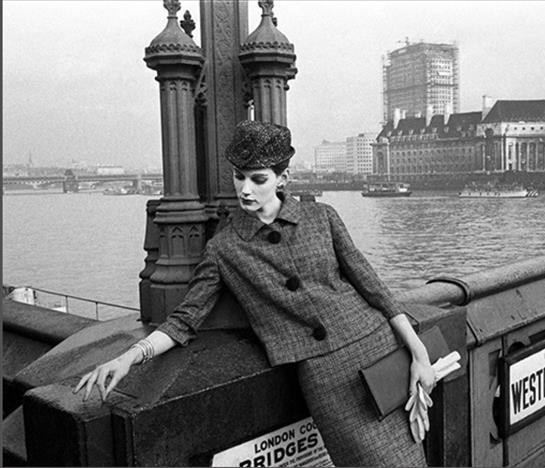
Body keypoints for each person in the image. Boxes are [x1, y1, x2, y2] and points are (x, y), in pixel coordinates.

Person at [74, 120, 435, 467]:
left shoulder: (322, 217)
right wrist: (128, 358)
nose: (245, 189)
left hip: (380, 349)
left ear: (282, 179)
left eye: (258, 179)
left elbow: (374, 288)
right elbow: (186, 320)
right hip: (327, 378)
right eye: (239, 177)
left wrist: (417, 353)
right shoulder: (225, 248)